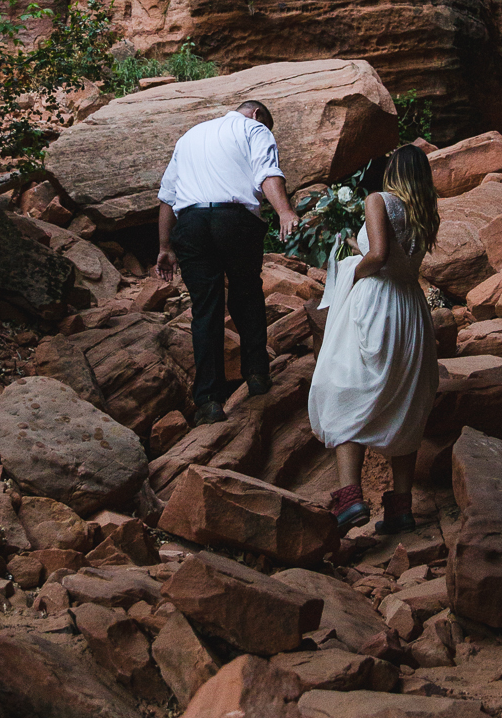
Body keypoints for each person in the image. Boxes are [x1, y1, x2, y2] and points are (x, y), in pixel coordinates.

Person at [307, 143, 441, 537]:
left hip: (377, 302)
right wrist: (357, 248)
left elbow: (380, 255)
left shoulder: (378, 200)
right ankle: (401, 508)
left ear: (393, 170)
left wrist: (351, 271)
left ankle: (350, 499)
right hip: (411, 309)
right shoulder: (425, 212)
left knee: (343, 385)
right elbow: (400, 257)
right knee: (403, 402)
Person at [156, 99, 300, 425]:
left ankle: (208, 401)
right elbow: (267, 171)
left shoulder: (189, 136)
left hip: (190, 224)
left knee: (206, 308)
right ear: (257, 114)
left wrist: (165, 246)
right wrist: (284, 211)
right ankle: (257, 373)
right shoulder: (254, 127)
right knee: (246, 292)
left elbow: (167, 196)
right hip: (233, 220)